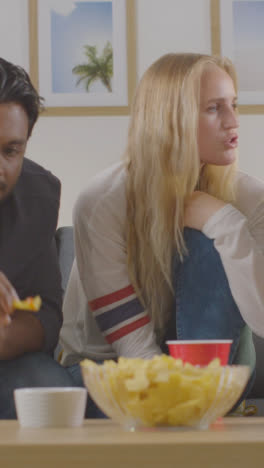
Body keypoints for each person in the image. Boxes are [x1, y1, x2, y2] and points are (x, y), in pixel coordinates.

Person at [60, 53, 264, 416]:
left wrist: (226, 225)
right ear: (170, 119)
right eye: (215, 108)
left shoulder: (251, 198)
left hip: (219, 374)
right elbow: (132, 348)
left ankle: (203, 403)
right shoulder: (102, 200)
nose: (233, 121)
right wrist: (179, 401)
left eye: (233, 105)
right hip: (116, 371)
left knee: (208, 241)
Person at [0, 57, 75, 419]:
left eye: (11, 151)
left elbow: (45, 312)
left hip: (6, 357)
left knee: (52, 393)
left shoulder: (38, 196)